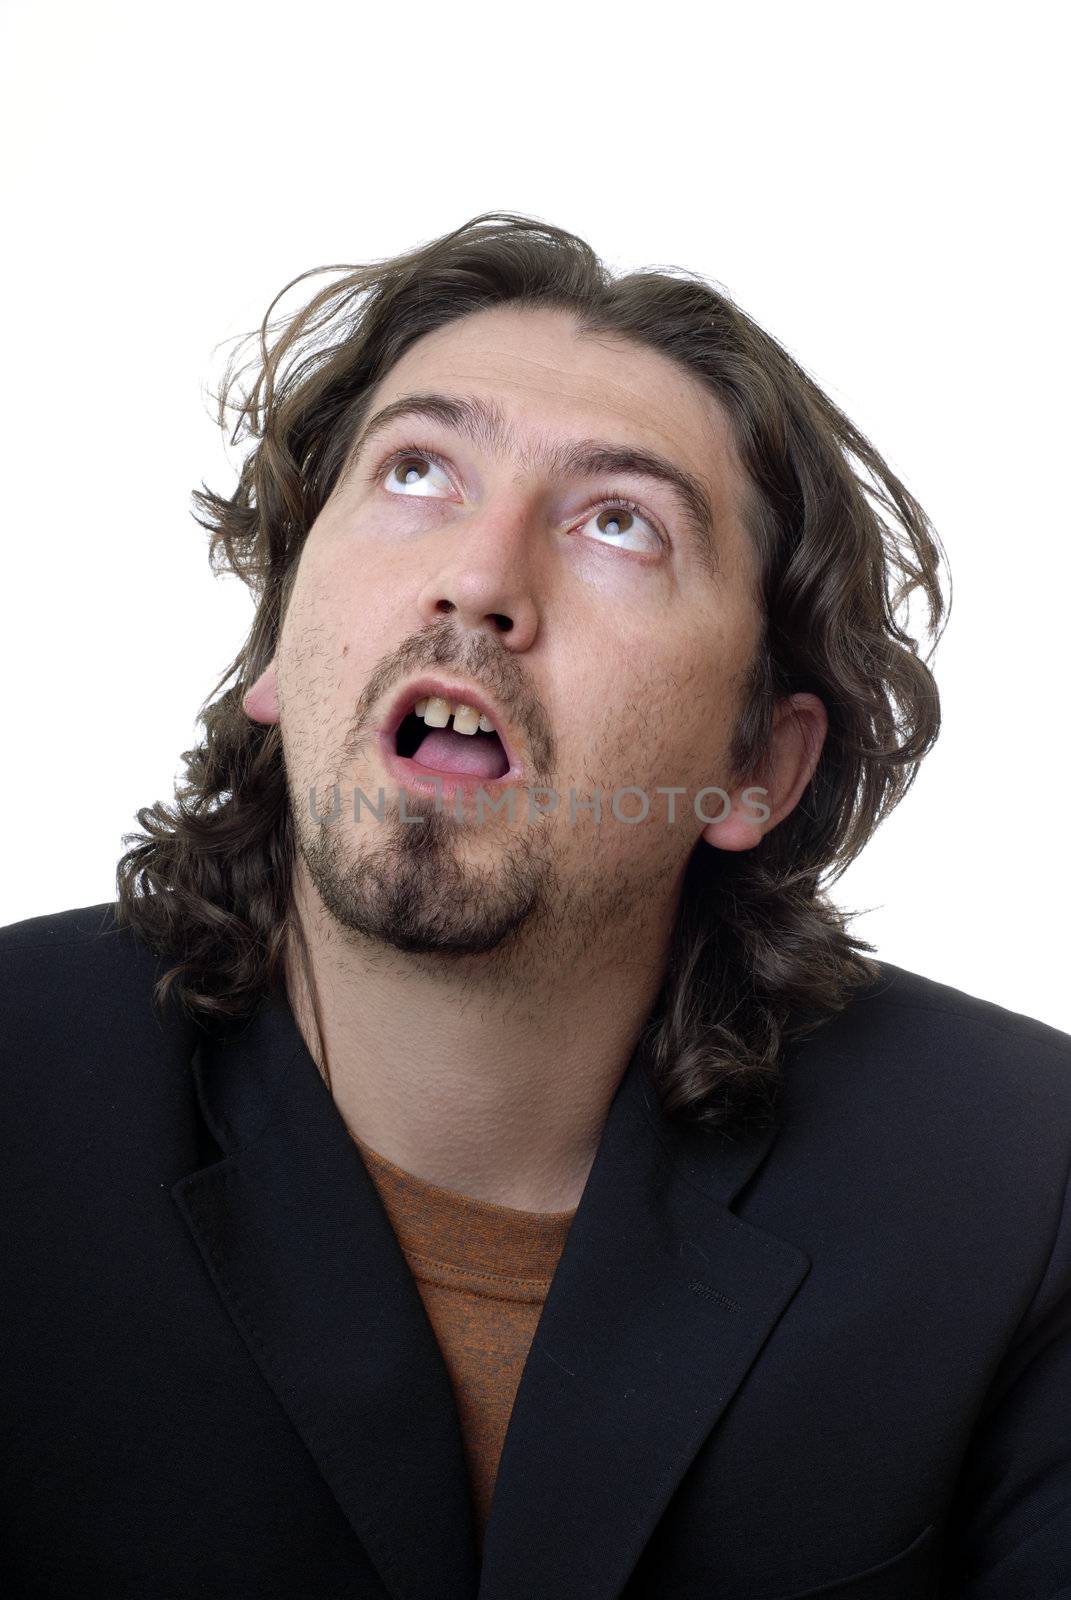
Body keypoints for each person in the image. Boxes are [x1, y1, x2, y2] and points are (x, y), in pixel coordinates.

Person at [2, 212, 1068, 1600]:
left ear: (755, 766)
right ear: (277, 639)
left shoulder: (1023, 1182)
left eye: (619, 522)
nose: (483, 580)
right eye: (417, 470)